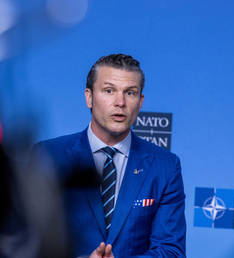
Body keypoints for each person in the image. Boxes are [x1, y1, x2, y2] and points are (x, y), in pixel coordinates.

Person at [34, 54, 186, 257]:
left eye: (130, 93)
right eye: (109, 90)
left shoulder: (165, 166)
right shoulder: (46, 156)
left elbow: (171, 251)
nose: (120, 102)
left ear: (140, 102)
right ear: (89, 97)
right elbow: (26, 244)